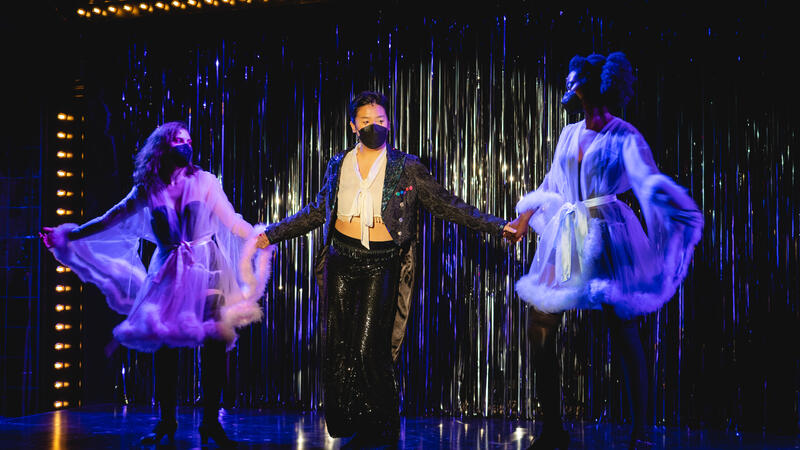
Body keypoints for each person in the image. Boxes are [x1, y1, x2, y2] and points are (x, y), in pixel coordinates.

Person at [256, 91, 516, 448]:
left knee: (370, 348)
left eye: (379, 120)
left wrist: (497, 226)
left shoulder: (406, 166)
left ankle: (386, 426)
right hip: (341, 261)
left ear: (389, 123)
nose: (373, 126)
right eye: (365, 121)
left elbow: (447, 204)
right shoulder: (338, 165)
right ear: (352, 126)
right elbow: (317, 212)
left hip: (381, 262)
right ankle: (359, 423)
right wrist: (271, 235)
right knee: (341, 348)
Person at [506, 53, 703, 449]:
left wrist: (676, 210)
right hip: (568, 233)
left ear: (599, 84)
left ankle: (641, 433)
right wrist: (524, 218)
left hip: (607, 233)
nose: (572, 86)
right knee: (540, 324)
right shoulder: (568, 133)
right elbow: (553, 182)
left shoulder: (625, 135)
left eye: (579, 80)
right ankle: (554, 429)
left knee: (622, 328)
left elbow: (646, 182)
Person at [40, 122, 273, 448]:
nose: (186, 145)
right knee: (165, 347)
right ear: (162, 147)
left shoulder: (204, 181)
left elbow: (231, 220)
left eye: (189, 140)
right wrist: (69, 235)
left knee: (215, 344)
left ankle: (210, 423)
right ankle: (166, 421)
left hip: (208, 269)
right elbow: (110, 219)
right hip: (169, 271)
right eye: (179, 140)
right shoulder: (147, 189)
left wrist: (259, 237)